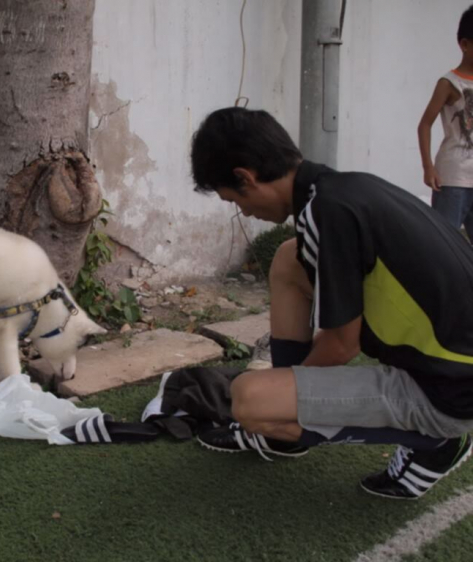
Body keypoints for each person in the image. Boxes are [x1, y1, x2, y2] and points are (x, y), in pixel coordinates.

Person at [190, 107, 473, 500]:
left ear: (246, 177)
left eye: (234, 199)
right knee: (290, 259)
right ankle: (287, 432)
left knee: (249, 399)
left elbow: (342, 344)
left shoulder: (326, 212)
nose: (245, 212)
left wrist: (280, 397)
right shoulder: (344, 188)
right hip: (456, 362)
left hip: (447, 393)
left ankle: (438, 442)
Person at [418, 4, 473, 240]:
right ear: (464, 45)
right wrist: (428, 167)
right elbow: (425, 125)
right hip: (453, 177)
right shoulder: (448, 83)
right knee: (444, 243)